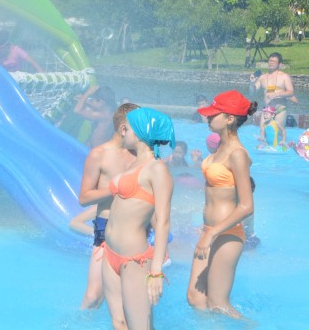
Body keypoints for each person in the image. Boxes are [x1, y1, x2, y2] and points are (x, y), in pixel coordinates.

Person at [100, 107, 175, 330]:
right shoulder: (133, 163)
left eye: (128, 127)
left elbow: (162, 220)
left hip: (134, 259)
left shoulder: (157, 169)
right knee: (119, 322)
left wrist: (156, 270)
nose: (123, 132)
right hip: (110, 252)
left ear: (142, 131)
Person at [187, 90, 256, 319]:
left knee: (218, 304)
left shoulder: (238, 154)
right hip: (210, 231)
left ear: (229, 119)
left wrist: (213, 232)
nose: (208, 117)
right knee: (196, 298)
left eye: (214, 114)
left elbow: (247, 206)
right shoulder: (219, 149)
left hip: (227, 233)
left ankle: (250, 325)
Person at [76, 103, 139, 312]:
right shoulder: (99, 154)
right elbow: (84, 198)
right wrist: (115, 189)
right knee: (93, 296)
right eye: (139, 127)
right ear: (124, 129)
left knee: (128, 301)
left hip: (135, 229)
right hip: (105, 228)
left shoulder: (140, 155)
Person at [250, 52, 295, 128]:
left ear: (279, 64)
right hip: (266, 110)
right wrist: (252, 83)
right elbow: (253, 92)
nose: (271, 63)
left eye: (274, 61)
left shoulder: (284, 77)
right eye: (270, 61)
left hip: (279, 110)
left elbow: (291, 92)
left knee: (277, 135)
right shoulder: (262, 77)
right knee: (262, 135)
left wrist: (277, 94)